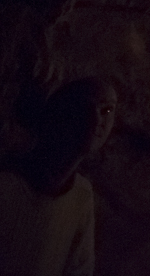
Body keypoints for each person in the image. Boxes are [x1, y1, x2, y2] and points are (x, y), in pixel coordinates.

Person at [0, 77, 116, 276]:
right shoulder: (7, 184)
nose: (97, 120)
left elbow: (80, 269)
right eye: (86, 108)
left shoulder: (81, 196)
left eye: (106, 110)